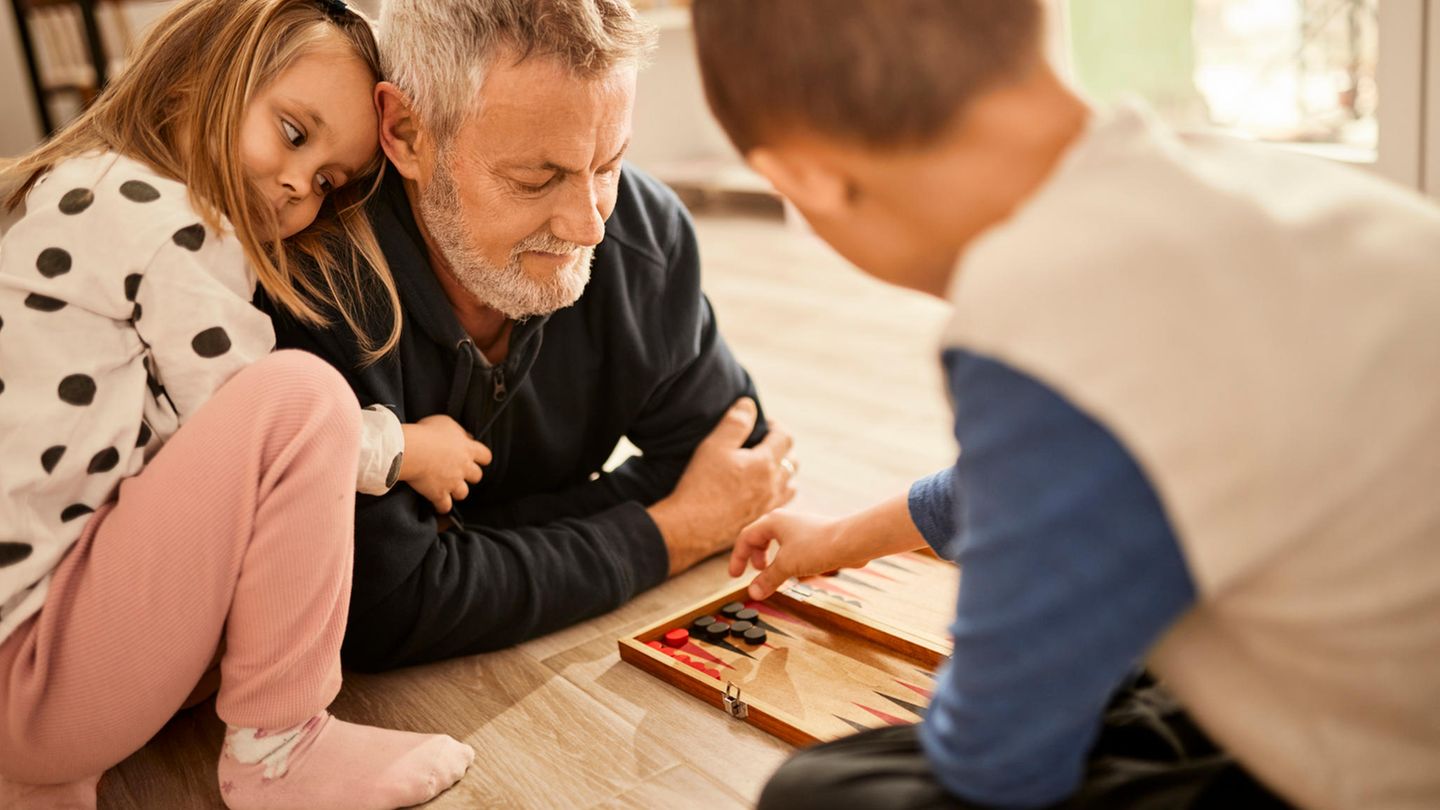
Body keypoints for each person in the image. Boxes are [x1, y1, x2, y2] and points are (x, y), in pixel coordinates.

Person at [690, 1, 1440, 808]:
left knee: (823, 794)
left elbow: (996, 764)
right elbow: (1082, 476)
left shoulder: (1041, 307)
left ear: (805, 178)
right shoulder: (1227, 180)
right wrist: (842, 537)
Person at [0, 1, 478, 807]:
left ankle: (42, 773)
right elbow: (258, 419)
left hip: (27, 671)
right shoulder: (165, 218)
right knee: (301, 395)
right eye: (294, 134)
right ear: (196, 83)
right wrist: (412, 448)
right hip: (34, 673)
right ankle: (281, 745)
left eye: (329, 181)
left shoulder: (77, 192)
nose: (300, 184)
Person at [265, 0, 796, 671]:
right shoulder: (315, 281)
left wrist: (454, 547)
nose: (589, 225)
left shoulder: (642, 234)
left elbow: (739, 464)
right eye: (534, 180)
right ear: (405, 133)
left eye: (609, 165)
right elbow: (375, 608)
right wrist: (671, 530)